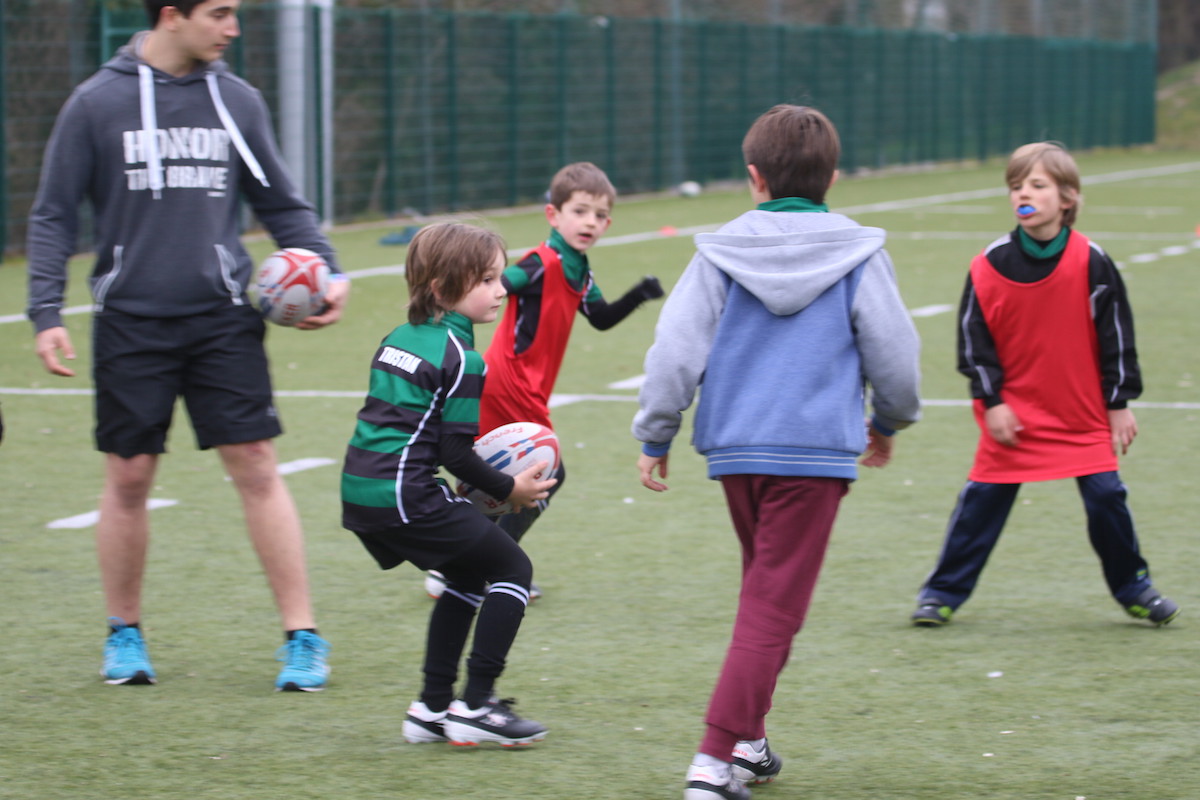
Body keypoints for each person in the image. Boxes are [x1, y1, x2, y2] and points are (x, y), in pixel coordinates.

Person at [25, 0, 350, 691]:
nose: (233, 27)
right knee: (130, 475)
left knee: (257, 463)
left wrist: (327, 269)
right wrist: (45, 310)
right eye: (220, 12)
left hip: (222, 317)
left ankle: (302, 636)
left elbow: (282, 204)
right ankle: (124, 634)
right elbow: (53, 214)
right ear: (172, 15)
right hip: (130, 322)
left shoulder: (238, 100)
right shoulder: (95, 103)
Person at [632, 105, 922, 800]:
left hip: (736, 454)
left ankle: (749, 742)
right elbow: (898, 356)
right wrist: (889, 419)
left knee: (767, 598)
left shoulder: (717, 253)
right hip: (814, 457)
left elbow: (674, 350)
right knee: (772, 608)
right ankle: (711, 761)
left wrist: (657, 431)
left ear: (754, 178)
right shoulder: (859, 253)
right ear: (834, 178)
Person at [910, 142, 1180, 628]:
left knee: (1106, 498)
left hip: (1082, 415)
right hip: (1014, 415)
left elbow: (1117, 336)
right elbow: (974, 344)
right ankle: (941, 594)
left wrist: (1118, 403)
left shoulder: (1093, 261)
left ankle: (1134, 588)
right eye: (1015, 186)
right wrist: (991, 401)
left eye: (1036, 185)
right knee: (981, 504)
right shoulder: (988, 264)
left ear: (1067, 198)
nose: (1023, 195)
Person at [341, 222, 557, 747]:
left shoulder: (397, 339)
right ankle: (476, 705)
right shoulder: (462, 358)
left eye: (499, 277)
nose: (501, 290)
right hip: (405, 493)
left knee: (465, 575)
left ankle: (432, 709)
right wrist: (511, 489)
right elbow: (454, 452)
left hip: (361, 488)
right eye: (485, 280)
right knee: (513, 566)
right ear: (441, 289)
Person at [423, 162, 663, 601]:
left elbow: (601, 318)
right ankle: (475, 566)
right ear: (554, 215)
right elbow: (494, 287)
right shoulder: (538, 263)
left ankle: (469, 565)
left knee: (513, 478)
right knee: (538, 475)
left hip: (528, 389)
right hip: (506, 383)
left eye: (600, 215)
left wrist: (637, 296)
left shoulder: (580, 270)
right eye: (581, 211)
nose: (590, 221)